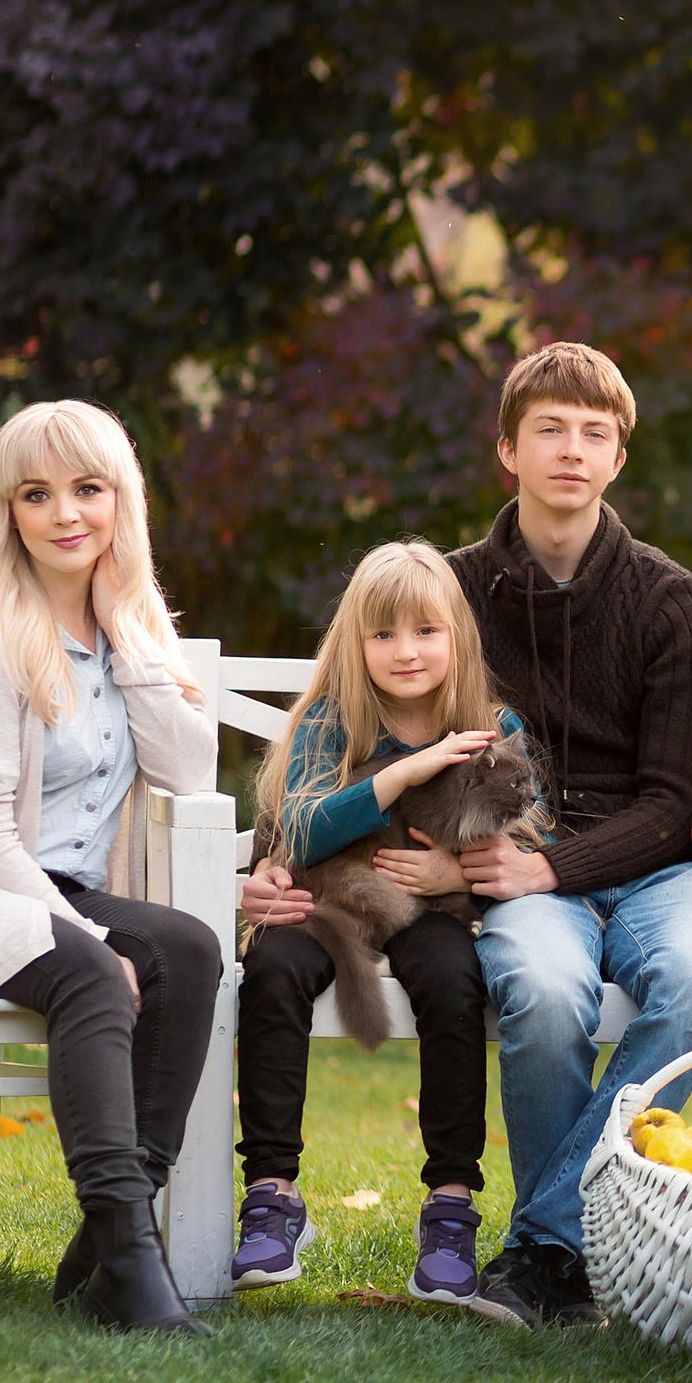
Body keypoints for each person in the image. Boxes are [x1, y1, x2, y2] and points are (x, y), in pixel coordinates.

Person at [0, 400, 220, 1336]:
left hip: (50, 890)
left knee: (189, 948)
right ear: (7, 511)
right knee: (96, 968)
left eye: (88, 489)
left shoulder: (130, 624)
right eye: (36, 494)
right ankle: (131, 1256)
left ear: (120, 500)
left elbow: (189, 768)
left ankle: (105, 1249)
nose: (65, 514)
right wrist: (94, 936)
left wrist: (129, 632)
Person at [444, 342, 692, 1327]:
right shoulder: (452, 593)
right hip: (517, 857)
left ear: (618, 457)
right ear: (508, 450)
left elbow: (672, 802)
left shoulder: (667, 598)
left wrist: (550, 869)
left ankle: (545, 1246)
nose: (572, 449)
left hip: (651, 868)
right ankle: (572, 1258)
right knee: (541, 989)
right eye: (550, 430)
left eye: (594, 433)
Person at [228, 542, 523, 1320]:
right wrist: (401, 773)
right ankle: (272, 1195)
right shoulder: (331, 721)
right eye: (383, 633)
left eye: (425, 630)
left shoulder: (490, 726)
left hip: (431, 910)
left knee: (454, 981)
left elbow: (534, 837)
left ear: (457, 635)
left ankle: (451, 1204)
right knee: (274, 969)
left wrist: (456, 874)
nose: (405, 650)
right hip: (330, 896)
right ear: (354, 643)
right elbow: (298, 826)